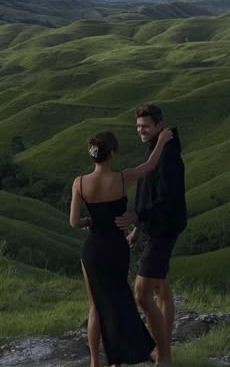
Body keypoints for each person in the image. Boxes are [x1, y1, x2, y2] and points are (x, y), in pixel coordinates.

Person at [70, 128, 173, 367]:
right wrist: (162, 141)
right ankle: (125, 353)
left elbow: (74, 222)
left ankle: (95, 362)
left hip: (92, 249)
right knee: (119, 299)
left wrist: (89, 221)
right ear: (113, 153)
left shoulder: (80, 183)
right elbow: (150, 165)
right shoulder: (122, 179)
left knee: (95, 305)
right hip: (116, 246)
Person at [115, 105, 187, 367]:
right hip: (154, 226)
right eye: (137, 126)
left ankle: (163, 357)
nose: (140, 131)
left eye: (145, 126)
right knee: (160, 287)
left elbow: (166, 199)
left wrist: (137, 216)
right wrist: (137, 229)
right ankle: (162, 348)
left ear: (158, 126)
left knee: (142, 294)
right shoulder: (159, 150)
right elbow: (149, 191)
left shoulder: (168, 156)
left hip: (163, 230)